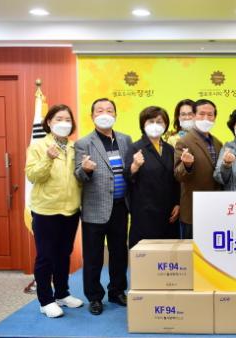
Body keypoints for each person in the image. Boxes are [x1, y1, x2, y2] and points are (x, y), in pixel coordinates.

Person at [74, 98, 132, 316]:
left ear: (115, 115)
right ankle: (94, 297)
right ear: (92, 116)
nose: (105, 114)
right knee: (93, 257)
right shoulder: (83, 143)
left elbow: (130, 170)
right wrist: (86, 169)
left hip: (120, 207)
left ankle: (117, 291)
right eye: (100, 110)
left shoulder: (125, 139)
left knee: (119, 253)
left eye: (109, 110)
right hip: (95, 208)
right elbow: (78, 175)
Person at [25, 104, 83, 318]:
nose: (63, 123)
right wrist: (47, 158)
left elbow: (79, 177)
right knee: (46, 256)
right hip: (46, 210)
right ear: (49, 122)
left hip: (70, 209)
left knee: (64, 254)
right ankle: (45, 300)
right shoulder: (39, 146)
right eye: (58, 119)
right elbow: (33, 176)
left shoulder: (75, 147)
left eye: (67, 119)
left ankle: (62, 293)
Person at [124, 106, 180, 248]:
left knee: (168, 255)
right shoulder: (135, 147)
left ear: (165, 125)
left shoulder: (169, 149)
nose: (155, 125)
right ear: (143, 124)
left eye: (159, 122)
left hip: (168, 212)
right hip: (145, 212)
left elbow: (175, 180)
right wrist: (135, 166)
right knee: (145, 255)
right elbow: (127, 177)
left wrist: (177, 203)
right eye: (151, 121)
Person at [174, 99, 223, 239]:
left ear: (215, 118)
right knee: (191, 250)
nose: (206, 118)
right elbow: (178, 175)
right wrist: (187, 165)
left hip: (214, 208)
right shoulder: (184, 142)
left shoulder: (218, 143)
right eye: (201, 114)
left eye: (210, 115)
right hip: (193, 210)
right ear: (194, 116)